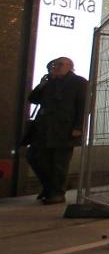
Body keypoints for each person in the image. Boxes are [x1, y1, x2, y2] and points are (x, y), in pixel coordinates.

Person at [24, 57, 88, 204]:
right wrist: (42, 84)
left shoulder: (79, 82)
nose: (55, 67)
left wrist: (78, 127)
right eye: (53, 65)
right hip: (44, 129)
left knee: (60, 163)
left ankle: (57, 193)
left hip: (65, 129)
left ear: (69, 66)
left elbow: (84, 106)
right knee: (34, 157)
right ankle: (50, 187)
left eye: (59, 65)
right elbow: (33, 99)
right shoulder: (49, 82)